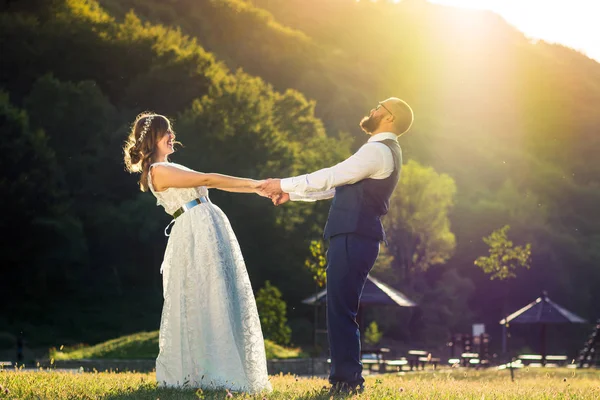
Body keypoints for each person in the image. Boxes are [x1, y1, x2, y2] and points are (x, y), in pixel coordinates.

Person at [260, 97, 414, 394]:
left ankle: (347, 382)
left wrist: (283, 184)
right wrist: (294, 196)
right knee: (340, 308)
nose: (373, 108)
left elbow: (331, 175)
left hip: (353, 235)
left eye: (379, 106)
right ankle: (347, 379)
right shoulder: (382, 151)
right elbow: (337, 187)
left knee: (340, 309)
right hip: (355, 236)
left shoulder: (378, 150)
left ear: (390, 118)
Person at [123, 113, 272, 394]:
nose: (172, 136)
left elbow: (205, 182)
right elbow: (207, 179)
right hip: (194, 232)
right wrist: (255, 186)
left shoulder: (168, 166)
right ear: (152, 138)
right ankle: (208, 373)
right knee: (206, 295)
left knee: (222, 295)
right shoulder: (158, 170)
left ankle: (226, 368)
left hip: (206, 227)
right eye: (165, 132)